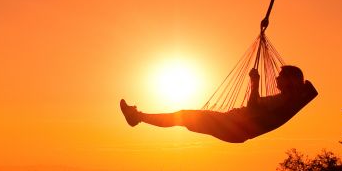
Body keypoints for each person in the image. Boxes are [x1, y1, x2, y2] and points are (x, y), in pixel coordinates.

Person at [119, 65, 318, 143]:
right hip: (231, 125)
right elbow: (256, 108)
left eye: (281, 76)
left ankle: (137, 117)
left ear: (290, 80)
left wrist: (255, 82)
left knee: (183, 116)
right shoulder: (284, 100)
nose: (276, 78)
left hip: (233, 127)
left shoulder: (282, 100)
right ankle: (137, 117)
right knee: (183, 117)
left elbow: (253, 107)